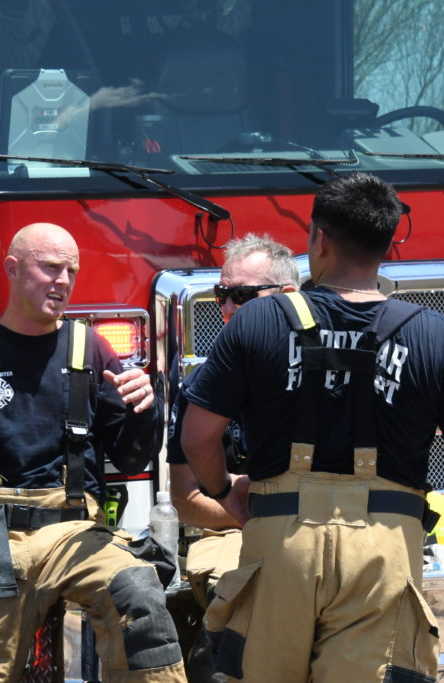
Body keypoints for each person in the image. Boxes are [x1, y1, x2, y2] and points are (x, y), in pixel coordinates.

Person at [181, 173, 444, 682]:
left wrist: (226, 493)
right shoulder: (435, 335)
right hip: (384, 554)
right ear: (388, 245)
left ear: (319, 239)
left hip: (280, 547)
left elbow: (197, 437)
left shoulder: (256, 321)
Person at [0, 222, 187, 681]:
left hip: (76, 532)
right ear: (12, 269)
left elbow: (129, 459)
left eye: (70, 271)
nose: (62, 281)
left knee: (139, 597)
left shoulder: (91, 349)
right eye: (49, 268)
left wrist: (145, 408)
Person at [166, 233, 298, 610]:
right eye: (220, 294)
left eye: (240, 296)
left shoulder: (328, 371)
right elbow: (186, 501)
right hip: (232, 531)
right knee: (234, 602)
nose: (225, 307)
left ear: (287, 296)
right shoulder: (200, 386)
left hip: (319, 527)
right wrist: (242, 506)